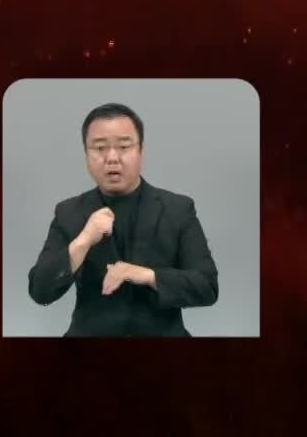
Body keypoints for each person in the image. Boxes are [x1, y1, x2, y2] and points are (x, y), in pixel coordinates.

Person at [25, 102, 220, 336]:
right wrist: (83, 241)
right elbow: (40, 292)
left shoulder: (178, 209)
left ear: (141, 151)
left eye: (124, 146)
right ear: (86, 153)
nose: (112, 158)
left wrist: (145, 275)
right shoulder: (69, 212)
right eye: (99, 148)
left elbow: (207, 287)